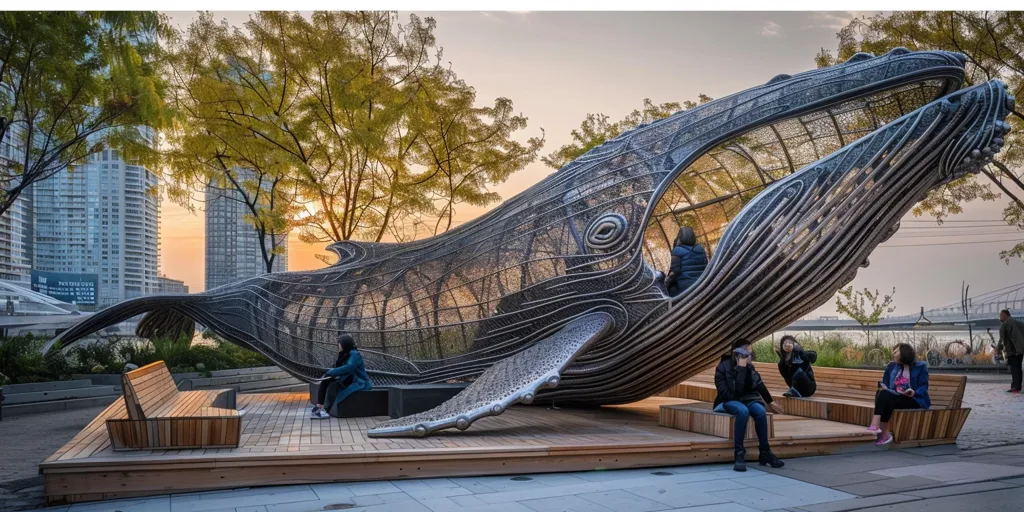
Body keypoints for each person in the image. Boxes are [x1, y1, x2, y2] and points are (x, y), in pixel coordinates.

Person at [714, 338, 785, 472]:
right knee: (743, 411)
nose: (749, 356)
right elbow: (732, 393)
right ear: (736, 353)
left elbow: (759, 384)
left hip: (748, 399)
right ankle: (739, 453)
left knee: (759, 410)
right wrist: (741, 368)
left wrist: (770, 401)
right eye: (745, 353)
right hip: (727, 400)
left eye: (750, 353)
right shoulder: (723, 366)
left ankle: (765, 452)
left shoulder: (750, 367)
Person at [867, 343, 930, 445]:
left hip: (915, 400)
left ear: (904, 353)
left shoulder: (921, 366)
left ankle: (878, 428)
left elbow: (923, 386)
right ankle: (882, 432)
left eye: (896, 351)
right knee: (882, 393)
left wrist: (913, 392)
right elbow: (886, 384)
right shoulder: (891, 366)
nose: (893, 354)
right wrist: (883, 387)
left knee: (885, 397)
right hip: (897, 397)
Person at [311, 333, 371, 419]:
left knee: (330, 381)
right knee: (326, 380)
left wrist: (333, 372)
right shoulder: (346, 353)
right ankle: (320, 408)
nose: (338, 346)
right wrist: (332, 372)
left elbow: (349, 367)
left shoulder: (354, 354)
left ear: (344, 344)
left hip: (359, 382)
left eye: (339, 344)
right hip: (349, 379)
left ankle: (321, 409)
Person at [666, 227, 708, 296]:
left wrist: (666, 280)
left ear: (680, 237)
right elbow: (706, 265)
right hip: (702, 284)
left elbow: (675, 270)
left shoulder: (677, 250)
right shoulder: (700, 248)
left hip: (685, 288)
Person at [996, 310, 1024, 394]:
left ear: (1005, 315)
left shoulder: (1005, 324)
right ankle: (1018, 386)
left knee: (1014, 368)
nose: (1000, 317)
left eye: (1001, 315)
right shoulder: (1020, 323)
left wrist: (998, 348)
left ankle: (1015, 387)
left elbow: (1002, 340)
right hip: (1021, 349)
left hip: (1013, 350)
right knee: (1018, 367)